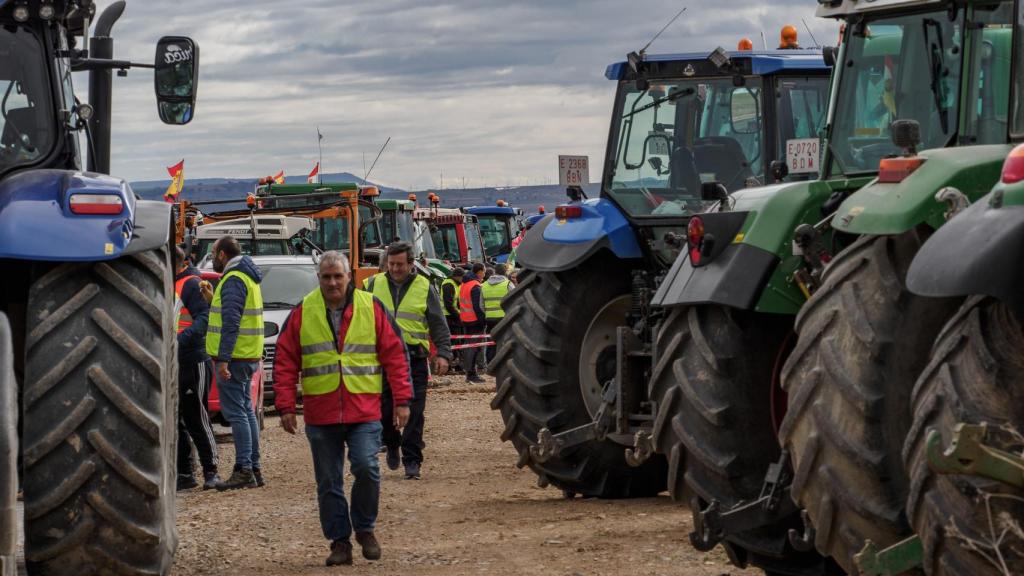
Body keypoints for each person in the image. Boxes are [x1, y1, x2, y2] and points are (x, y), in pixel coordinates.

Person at [274, 251, 412, 566]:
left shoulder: (371, 307)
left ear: (349, 276)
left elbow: (395, 354)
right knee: (328, 481)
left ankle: (364, 529)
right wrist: (285, 406)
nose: (333, 282)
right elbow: (284, 360)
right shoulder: (303, 311)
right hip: (321, 414)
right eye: (326, 277)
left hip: (363, 410)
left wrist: (402, 400)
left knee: (366, 467)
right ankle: (340, 542)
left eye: (338, 276)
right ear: (318, 278)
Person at [364, 242, 452, 480]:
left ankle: (412, 459)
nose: (395, 269)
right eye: (391, 264)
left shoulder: (424, 287)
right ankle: (391, 442)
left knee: (414, 411)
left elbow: (437, 323)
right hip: (381, 360)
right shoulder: (371, 285)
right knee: (384, 409)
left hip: (414, 358)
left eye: (400, 264)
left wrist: (443, 353)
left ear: (411, 264)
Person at [205, 236, 265, 491]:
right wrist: (212, 299)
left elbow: (231, 324)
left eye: (213, 252)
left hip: (235, 357)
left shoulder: (233, 280)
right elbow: (230, 315)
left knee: (237, 413)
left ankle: (243, 470)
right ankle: (254, 468)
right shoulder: (246, 277)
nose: (213, 257)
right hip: (248, 355)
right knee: (247, 411)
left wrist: (223, 361)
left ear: (221, 254)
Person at [174, 246, 220, 491]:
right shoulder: (171, 282)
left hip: (193, 360)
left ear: (177, 264)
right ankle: (184, 472)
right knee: (176, 420)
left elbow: (205, 317)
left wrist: (180, 340)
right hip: (174, 361)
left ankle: (211, 470)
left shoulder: (192, 284)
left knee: (197, 417)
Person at [480, 263, 514, 364]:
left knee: (491, 342)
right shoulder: (508, 284)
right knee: (504, 341)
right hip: (504, 318)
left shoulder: (484, 285)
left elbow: (481, 305)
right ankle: (503, 363)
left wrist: (488, 313)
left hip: (490, 319)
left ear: (495, 271)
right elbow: (514, 301)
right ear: (505, 272)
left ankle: (490, 363)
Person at [459, 263, 487, 383]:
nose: (484, 275)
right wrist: (483, 322)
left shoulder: (464, 284)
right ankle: (471, 374)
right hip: (475, 321)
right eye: (484, 272)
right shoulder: (475, 286)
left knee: (469, 347)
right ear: (479, 272)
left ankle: (469, 372)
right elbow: (478, 307)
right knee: (474, 348)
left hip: (465, 319)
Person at [441, 268, 463, 372]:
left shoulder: (455, 284)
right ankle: (450, 366)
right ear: (457, 276)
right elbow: (448, 304)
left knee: (456, 341)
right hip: (448, 317)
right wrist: (458, 315)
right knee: (452, 342)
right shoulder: (448, 285)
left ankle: (455, 364)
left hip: (452, 316)